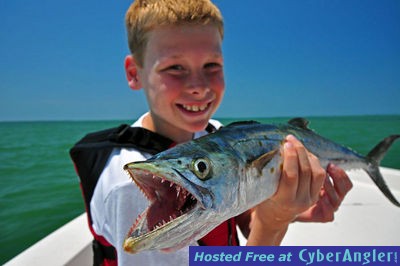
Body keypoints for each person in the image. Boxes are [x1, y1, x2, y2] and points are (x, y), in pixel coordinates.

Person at [72, 0, 353, 265]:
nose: (198, 85)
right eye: (175, 67)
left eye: (212, 66)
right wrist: (274, 222)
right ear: (135, 73)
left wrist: (289, 209)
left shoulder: (214, 134)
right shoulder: (126, 188)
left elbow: (238, 210)